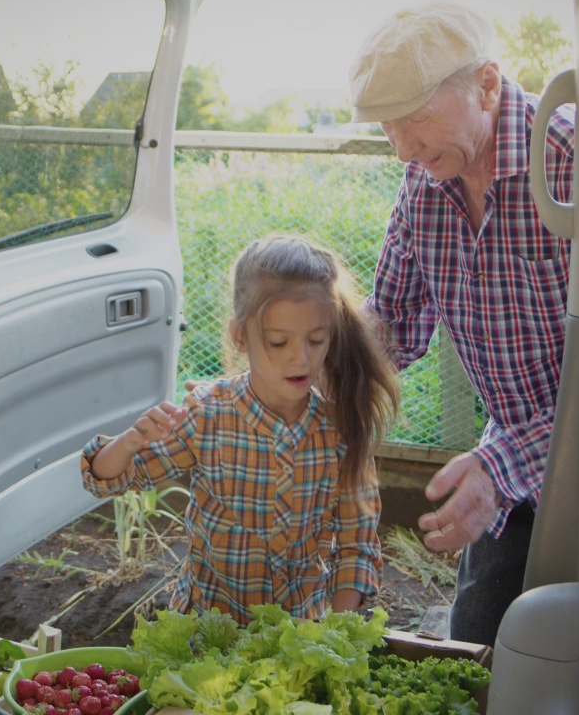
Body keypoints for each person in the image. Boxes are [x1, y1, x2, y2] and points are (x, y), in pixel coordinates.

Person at [347, 2, 576, 646]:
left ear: (487, 84)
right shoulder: (426, 179)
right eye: (388, 128)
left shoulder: (575, 159)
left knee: (578, 647)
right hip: (517, 455)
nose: (402, 150)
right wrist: (310, 383)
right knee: (476, 643)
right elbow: (390, 321)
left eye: (416, 118)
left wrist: (497, 469)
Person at [81, 234, 400, 625]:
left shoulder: (341, 431)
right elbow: (105, 480)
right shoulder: (208, 415)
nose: (300, 358)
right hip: (204, 633)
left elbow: (357, 547)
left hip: (298, 635)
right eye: (278, 342)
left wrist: (330, 634)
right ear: (239, 336)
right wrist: (130, 442)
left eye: (316, 340)